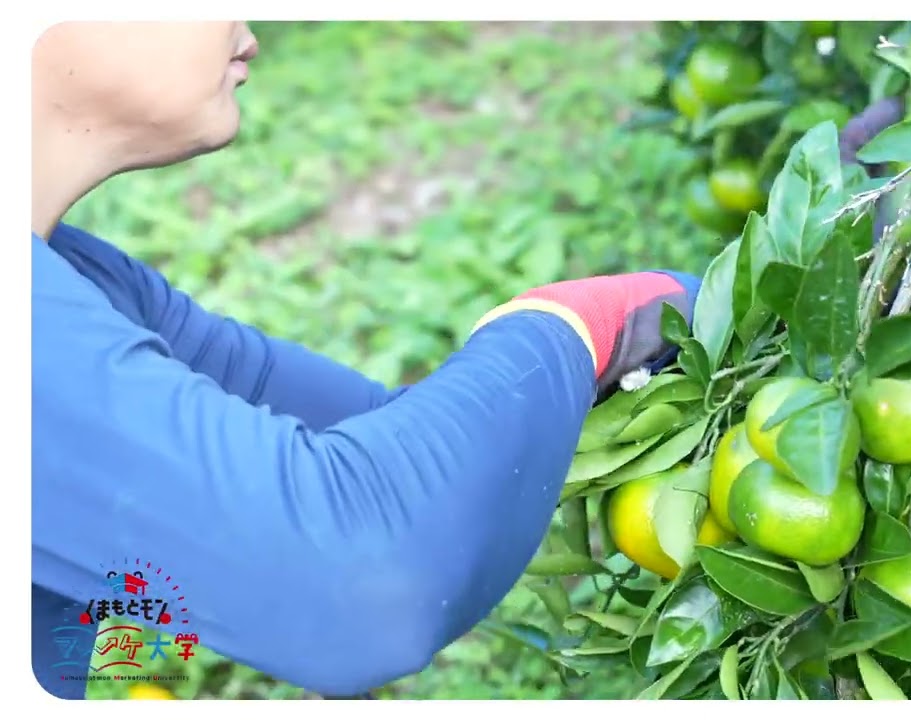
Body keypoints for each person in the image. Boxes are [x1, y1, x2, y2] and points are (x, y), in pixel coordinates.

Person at [31, 21, 701, 700]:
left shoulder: (72, 271)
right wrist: (571, 328)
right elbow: (359, 581)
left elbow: (378, 445)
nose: (247, 26)